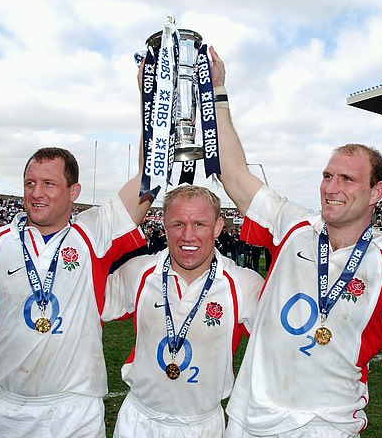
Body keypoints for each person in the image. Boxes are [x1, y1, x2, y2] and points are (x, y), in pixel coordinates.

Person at [208, 48, 382, 437]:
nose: (331, 188)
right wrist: (218, 91)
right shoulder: (293, 226)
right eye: (327, 176)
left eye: (347, 179)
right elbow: (233, 173)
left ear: (375, 192)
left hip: (326, 428)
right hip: (249, 423)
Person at [0, 147, 152, 438]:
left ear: (74, 191)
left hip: (77, 413)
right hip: (8, 413)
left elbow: (146, 179)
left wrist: (150, 103)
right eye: (30, 183)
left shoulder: (94, 232)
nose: (36, 192)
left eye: (49, 184)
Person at [102, 185, 263, 437]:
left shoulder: (244, 284)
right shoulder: (138, 272)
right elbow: (85, 301)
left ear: (218, 227)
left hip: (203, 425)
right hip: (140, 421)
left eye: (199, 224)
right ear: (164, 225)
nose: (188, 235)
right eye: (177, 224)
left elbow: (281, 343)